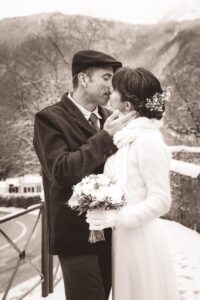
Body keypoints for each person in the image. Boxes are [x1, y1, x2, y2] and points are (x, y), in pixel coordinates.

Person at [33, 50, 135, 300]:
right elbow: (61, 171)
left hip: (112, 233)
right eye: (106, 78)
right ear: (83, 79)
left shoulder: (111, 118)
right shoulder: (48, 118)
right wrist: (104, 137)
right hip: (76, 237)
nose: (112, 87)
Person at [87, 67, 180, 300]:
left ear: (127, 105)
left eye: (115, 89)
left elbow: (161, 201)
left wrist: (115, 218)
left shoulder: (149, 141)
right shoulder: (124, 139)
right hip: (122, 243)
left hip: (142, 244)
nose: (110, 91)